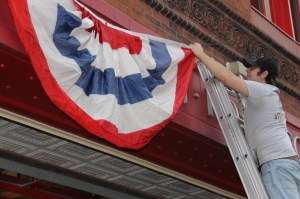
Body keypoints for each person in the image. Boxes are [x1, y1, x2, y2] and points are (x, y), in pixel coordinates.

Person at [189, 42, 300, 199]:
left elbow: (226, 78)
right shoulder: (269, 95)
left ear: (264, 74)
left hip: (277, 164)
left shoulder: (262, 90)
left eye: (252, 68)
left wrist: (201, 54)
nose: (247, 70)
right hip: (287, 162)